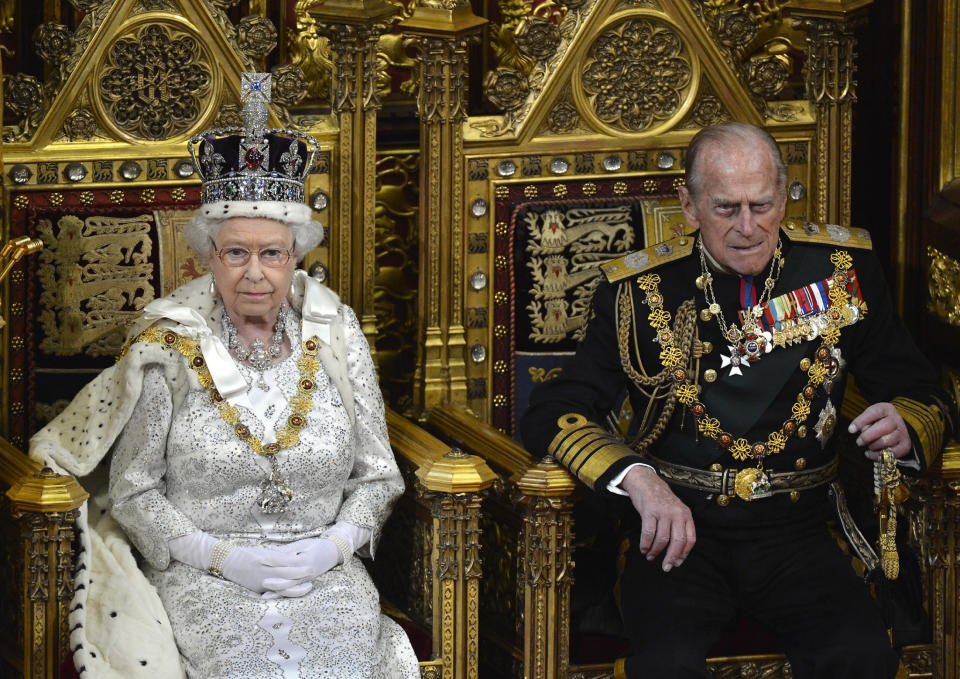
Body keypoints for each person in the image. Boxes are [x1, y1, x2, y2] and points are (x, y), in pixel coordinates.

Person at [519, 122, 955, 678]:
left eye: (762, 205)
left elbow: (924, 392)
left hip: (802, 531)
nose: (747, 228)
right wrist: (636, 478)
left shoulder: (841, 272)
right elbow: (556, 410)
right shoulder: (637, 291)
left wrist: (905, 424)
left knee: (861, 659)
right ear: (690, 205)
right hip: (679, 534)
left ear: (785, 195)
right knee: (666, 667)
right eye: (726, 208)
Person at [30, 73, 419, 679]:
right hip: (205, 578)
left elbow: (376, 475)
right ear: (208, 258)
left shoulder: (337, 337)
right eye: (236, 252)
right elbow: (133, 488)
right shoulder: (168, 346)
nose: (256, 273)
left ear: (296, 258)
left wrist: (333, 547)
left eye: (273, 253)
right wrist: (218, 558)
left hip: (327, 578)